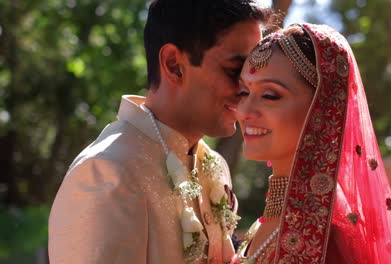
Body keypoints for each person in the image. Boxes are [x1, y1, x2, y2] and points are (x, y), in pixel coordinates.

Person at [48, 1, 270, 263]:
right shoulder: (108, 172)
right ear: (174, 64)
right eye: (235, 70)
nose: (247, 88)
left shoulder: (214, 165)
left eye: (253, 73)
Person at [233, 23, 391, 263]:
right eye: (244, 93)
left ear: (323, 106)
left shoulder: (326, 234)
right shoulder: (275, 219)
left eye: (270, 95)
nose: (244, 111)